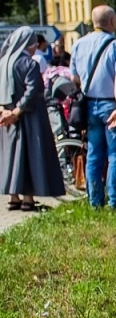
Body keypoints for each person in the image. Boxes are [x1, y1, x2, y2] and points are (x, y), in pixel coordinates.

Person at [70, 6, 116, 214]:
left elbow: (74, 78)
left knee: (94, 154)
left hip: (90, 104)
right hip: (111, 103)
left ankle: (94, 202)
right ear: (112, 22)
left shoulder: (79, 44)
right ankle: (115, 204)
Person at [0, 26, 65, 210]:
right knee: (29, 155)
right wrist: (17, 112)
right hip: (29, 118)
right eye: (33, 43)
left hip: (5, 119)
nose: (34, 46)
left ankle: (13, 198)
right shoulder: (29, 64)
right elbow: (33, 90)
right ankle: (28, 199)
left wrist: (5, 110)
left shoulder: (3, 62)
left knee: (10, 157)